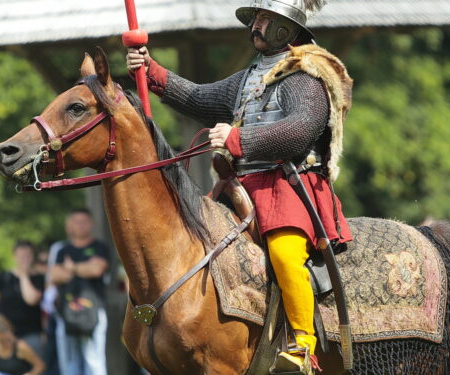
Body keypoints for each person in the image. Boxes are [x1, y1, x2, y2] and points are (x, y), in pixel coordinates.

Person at [126, 1, 352, 372]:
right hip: (241, 186)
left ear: (284, 27)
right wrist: (151, 70)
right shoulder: (250, 76)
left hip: (287, 186)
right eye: (256, 19)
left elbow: (299, 132)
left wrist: (238, 139)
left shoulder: (306, 76)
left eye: (264, 20)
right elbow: (199, 98)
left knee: (283, 253)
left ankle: (302, 346)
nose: (256, 26)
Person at [52, 210, 109, 375]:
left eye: (84, 221)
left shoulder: (99, 247)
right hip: (66, 313)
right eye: (76, 221)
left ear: (91, 224)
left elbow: (97, 270)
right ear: (69, 226)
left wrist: (71, 268)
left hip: (94, 313)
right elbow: (55, 275)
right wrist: (85, 268)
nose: (81, 225)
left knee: (94, 360)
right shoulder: (63, 250)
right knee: (69, 362)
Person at [0, 241, 45, 359]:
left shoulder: (39, 278)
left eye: (27, 256)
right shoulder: (3, 277)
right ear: (14, 256)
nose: (24, 259)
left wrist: (24, 275)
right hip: (4, 336)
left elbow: (32, 299)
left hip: (31, 334)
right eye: (21, 256)